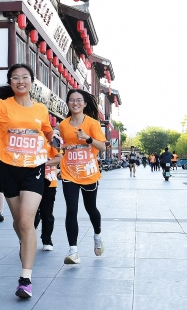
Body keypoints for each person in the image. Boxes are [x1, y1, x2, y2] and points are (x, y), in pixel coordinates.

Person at [0, 64, 56, 299]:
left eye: (25, 77)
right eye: (15, 78)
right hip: (9, 170)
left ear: (32, 82)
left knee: (26, 221)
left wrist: (53, 140)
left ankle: (25, 279)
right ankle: (26, 243)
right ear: (11, 83)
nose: (20, 81)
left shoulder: (40, 109)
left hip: (34, 169)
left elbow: (47, 131)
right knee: (19, 223)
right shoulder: (2, 106)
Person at [59, 89, 107, 265]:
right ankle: (73, 251)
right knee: (71, 210)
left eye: (79, 100)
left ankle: (97, 235)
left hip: (88, 173)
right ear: (68, 103)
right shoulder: (63, 125)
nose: (75, 103)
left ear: (85, 103)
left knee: (90, 208)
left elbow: (102, 147)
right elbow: (62, 147)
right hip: (69, 172)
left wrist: (88, 139)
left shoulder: (93, 124)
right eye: (72, 100)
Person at [34, 134, 62, 251]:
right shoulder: (30, 136)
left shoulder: (54, 138)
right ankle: (26, 238)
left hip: (49, 181)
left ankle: (47, 239)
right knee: (30, 213)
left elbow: (59, 158)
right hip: (31, 181)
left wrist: (42, 164)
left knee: (47, 213)